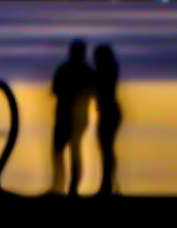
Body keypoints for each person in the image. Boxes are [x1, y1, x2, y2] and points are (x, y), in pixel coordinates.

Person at [48, 40, 92, 196]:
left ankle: (64, 187)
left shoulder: (68, 70)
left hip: (72, 118)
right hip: (72, 118)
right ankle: (64, 187)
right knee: (65, 152)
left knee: (64, 152)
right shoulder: (85, 71)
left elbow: (54, 91)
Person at [91, 43, 124, 195]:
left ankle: (108, 185)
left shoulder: (105, 70)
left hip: (108, 112)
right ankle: (110, 184)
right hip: (109, 111)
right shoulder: (109, 69)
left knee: (106, 148)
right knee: (107, 149)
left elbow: (97, 86)